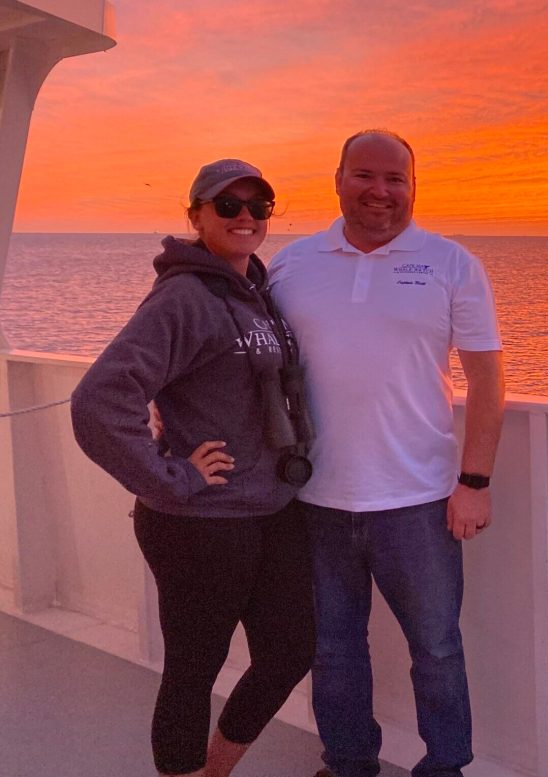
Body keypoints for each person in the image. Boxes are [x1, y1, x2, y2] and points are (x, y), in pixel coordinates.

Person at [266, 130, 505, 777]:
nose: (381, 191)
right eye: (366, 175)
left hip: (420, 502)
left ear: (413, 186)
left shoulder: (452, 263)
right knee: (334, 649)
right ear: (338, 178)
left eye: (395, 178)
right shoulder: (293, 263)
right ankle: (348, 763)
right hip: (315, 499)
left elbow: (486, 380)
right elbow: (258, 368)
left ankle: (445, 766)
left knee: (436, 648)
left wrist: (474, 480)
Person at [71, 160, 316, 777]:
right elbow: (100, 400)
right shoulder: (184, 296)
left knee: (289, 649)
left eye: (258, 206)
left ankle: (216, 767)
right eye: (226, 206)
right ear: (195, 216)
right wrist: (171, 475)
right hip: (200, 521)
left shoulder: (253, 291)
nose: (245, 217)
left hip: (268, 509)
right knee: (193, 669)